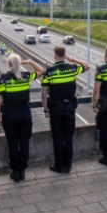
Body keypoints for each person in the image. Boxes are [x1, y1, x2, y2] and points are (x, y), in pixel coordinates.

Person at [0, 54, 44, 183]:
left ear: (9, 65)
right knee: (24, 143)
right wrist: (29, 61)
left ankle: (15, 172)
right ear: (19, 65)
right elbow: (41, 71)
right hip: (25, 114)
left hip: (9, 116)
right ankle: (22, 170)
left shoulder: (2, 80)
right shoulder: (26, 77)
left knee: (12, 144)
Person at [40, 46, 90, 174]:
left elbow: (44, 92)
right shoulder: (72, 69)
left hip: (56, 108)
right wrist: (72, 59)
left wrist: (46, 109)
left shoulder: (49, 72)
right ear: (65, 55)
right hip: (70, 108)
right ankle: (68, 165)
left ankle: (58, 165)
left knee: (57, 137)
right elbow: (86, 65)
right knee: (68, 137)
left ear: (55, 56)